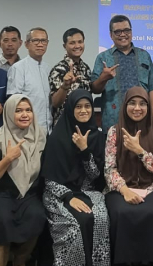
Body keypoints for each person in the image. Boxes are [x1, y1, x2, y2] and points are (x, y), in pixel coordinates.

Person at [0, 94, 48, 266]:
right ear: (9, 113)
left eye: (28, 110)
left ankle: (21, 260)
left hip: (28, 193)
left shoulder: (41, 137)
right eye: (18, 111)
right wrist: (7, 159)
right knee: (2, 220)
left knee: (36, 215)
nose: (25, 115)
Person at [43, 89, 110, 266]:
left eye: (87, 106)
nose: (83, 110)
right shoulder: (58, 137)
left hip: (88, 191)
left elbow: (95, 175)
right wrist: (69, 197)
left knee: (100, 218)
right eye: (78, 107)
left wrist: (84, 150)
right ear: (70, 109)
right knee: (75, 225)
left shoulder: (97, 136)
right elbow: (49, 179)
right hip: (59, 194)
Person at [104, 87, 153, 266]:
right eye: (132, 103)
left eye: (142, 104)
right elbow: (109, 169)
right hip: (120, 187)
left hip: (152, 186)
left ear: (148, 107)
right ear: (125, 105)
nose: (137, 108)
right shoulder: (114, 131)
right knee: (121, 212)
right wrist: (125, 191)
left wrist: (140, 151)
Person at [91, 15, 153, 129]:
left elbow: (152, 87)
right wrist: (103, 78)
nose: (123, 34)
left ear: (131, 32)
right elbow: (95, 89)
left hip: (142, 119)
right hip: (113, 121)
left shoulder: (144, 55)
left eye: (126, 30)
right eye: (118, 32)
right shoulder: (103, 57)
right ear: (111, 35)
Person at [7, 28, 52, 131]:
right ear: (26, 44)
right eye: (35, 40)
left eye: (43, 41)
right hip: (26, 130)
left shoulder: (48, 69)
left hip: (48, 129)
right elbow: (14, 102)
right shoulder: (18, 68)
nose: (40, 44)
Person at [48, 28, 93, 126]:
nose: (77, 46)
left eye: (80, 42)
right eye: (72, 43)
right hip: (65, 125)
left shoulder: (86, 68)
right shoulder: (58, 69)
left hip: (85, 124)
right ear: (65, 46)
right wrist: (65, 86)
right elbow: (55, 103)